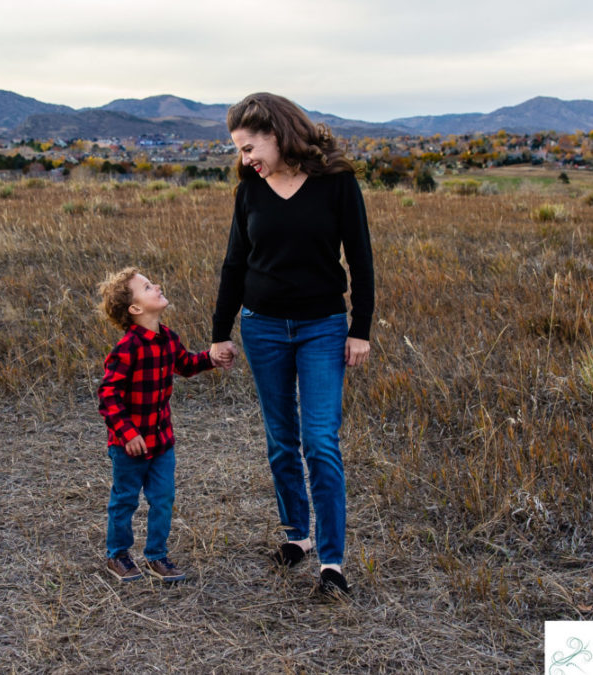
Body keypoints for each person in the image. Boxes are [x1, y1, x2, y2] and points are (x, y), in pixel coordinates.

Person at [210, 92, 374, 596]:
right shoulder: (249, 192)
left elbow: (361, 259)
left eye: (249, 147)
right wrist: (220, 330)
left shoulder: (336, 184)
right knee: (281, 440)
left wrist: (360, 327)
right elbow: (235, 264)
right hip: (262, 327)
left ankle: (332, 562)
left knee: (320, 442)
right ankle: (296, 535)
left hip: (323, 327)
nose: (245, 159)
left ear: (276, 134)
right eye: (239, 151)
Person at [97, 267, 228, 582]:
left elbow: (185, 365)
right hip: (129, 445)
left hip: (161, 442)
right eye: (147, 286)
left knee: (163, 498)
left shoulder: (168, 338)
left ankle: (156, 555)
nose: (156, 285)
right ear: (135, 309)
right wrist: (127, 433)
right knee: (125, 499)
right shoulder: (127, 348)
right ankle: (117, 554)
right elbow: (107, 395)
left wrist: (212, 358)